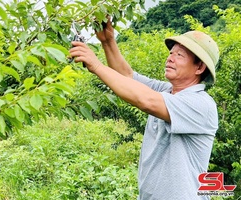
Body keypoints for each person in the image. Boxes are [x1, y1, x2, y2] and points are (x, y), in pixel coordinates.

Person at [69, 18, 219, 200]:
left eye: (179, 55)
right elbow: (127, 77)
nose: (170, 58)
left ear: (200, 67)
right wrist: (108, 41)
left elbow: (146, 100)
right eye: (171, 52)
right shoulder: (167, 91)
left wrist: (96, 65)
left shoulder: (201, 104)